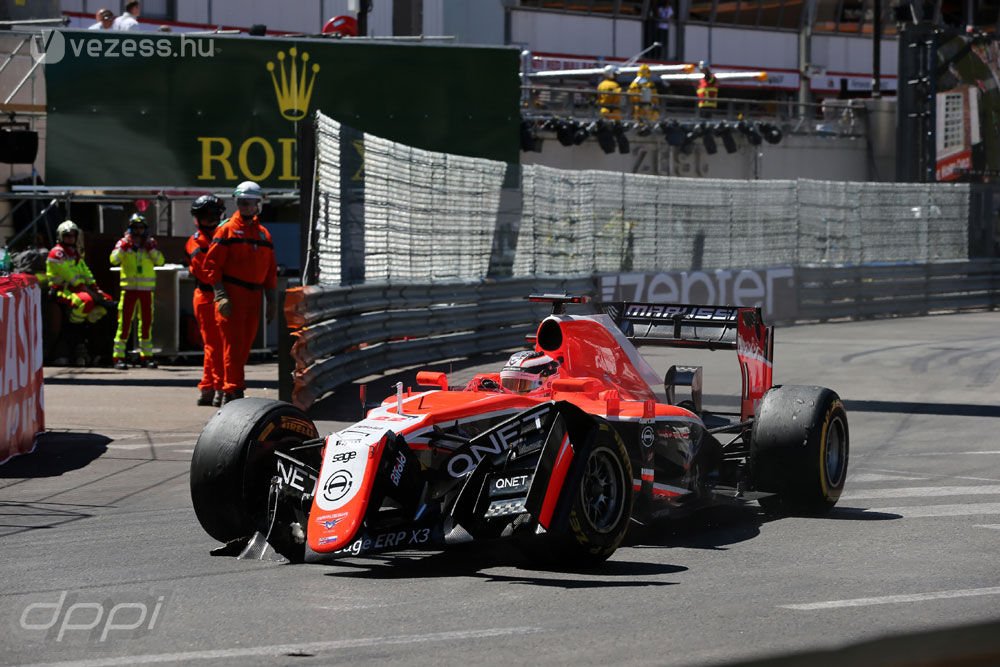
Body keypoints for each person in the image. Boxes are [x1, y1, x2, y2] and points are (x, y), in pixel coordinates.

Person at [204, 181, 278, 406]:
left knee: (243, 347)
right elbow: (212, 265)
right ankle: (233, 391)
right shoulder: (226, 230)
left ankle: (229, 387)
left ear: (258, 204)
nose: (245, 207)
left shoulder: (264, 234)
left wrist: (271, 299)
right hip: (233, 296)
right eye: (241, 203)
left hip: (254, 298)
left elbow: (270, 271)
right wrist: (220, 295)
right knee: (232, 347)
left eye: (250, 203)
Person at [46, 220, 114, 366]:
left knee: (106, 304)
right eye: (67, 235)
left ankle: (93, 347)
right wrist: (92, 294)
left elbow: (86, 272)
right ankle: (75, 329)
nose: (70, 238)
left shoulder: (75, 253)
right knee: (86, 302)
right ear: (60, 236)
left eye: (72, 235)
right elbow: (72, 278)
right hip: (61, 290)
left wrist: (97, 289)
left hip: (78, 289)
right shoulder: (57, 253)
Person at [186, 195, 226, 406]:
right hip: (207, 296)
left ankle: (207, 387)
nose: (212, 219)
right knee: (215, 345)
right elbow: (206, 273)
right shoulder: (196, 241)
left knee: (213, 345)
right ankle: (219, 387)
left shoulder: (222, 235)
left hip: (218, 294)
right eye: (208, 216)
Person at [109, 213, 164, 370]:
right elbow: (113, 259)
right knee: (124, 323)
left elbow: (160, 260)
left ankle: (146, 356)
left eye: (141, 228)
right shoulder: (123, 243)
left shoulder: (150, 243)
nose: (138, 231)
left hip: (146, 291)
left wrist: (151, 250)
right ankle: (118, 357)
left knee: (146, 323)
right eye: (135, 228)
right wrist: (124, 248)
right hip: (129, 290)